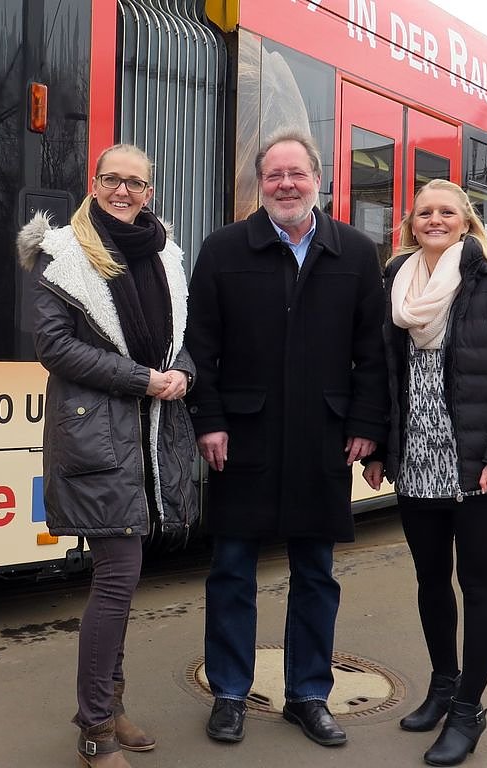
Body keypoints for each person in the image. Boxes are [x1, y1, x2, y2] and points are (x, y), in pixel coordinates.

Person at [185, 131, 388, 749]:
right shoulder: (223, 249)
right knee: (231, 571)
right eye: (274, 175)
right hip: (241, 437)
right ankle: (229, 693)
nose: (286, 185)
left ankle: (308, 695)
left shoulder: (355, 252)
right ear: (261, 183)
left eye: (296, 174)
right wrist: (208, 420)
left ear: (317, 180)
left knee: (316, 573)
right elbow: (201, 347)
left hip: (322, 436)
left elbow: (373, 352)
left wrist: (366, 425)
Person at [17, 143, 198, 768]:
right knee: (117, 577)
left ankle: (110, 707)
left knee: (123, 576)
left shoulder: (166, 255)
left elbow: (182, 339)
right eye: (112, 179)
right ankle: (95, 728)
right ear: (93, 184)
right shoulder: (63, 253)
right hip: (98, 436)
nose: (124, 190)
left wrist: (183, 373)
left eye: (135, 183)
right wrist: (142, 380)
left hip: (149, 437)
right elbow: (54, 347)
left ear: (151, 192)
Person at [362, 179, 487, 767]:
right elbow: (383, 375)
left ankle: (468, 710)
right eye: (424, 213)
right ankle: (444, 684)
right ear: (410, 224)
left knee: (479, 584)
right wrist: (378, 450)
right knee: (430, 580)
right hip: (418, 457)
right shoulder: (395, 282)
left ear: (466, 222)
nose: (434, 220)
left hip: (481, 462)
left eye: (446, 212)